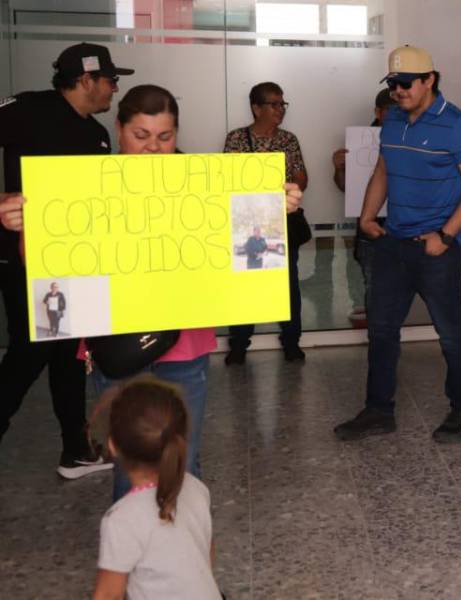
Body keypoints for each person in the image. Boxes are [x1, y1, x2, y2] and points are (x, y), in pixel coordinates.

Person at [0, 84, 305, 501]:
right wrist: (25, 224)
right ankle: (136, 542)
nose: (152, 148)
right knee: (131, 472)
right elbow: (44, 265)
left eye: (164, 136)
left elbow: (248, 248)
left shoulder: (202, 184)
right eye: (141, 135)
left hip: (185, 345)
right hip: (115, 345)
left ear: (177, 133)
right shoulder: (83, 185)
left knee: (184, 463)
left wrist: (273, 205)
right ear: (119, 129)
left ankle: (183, 541)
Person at [333, 45, 461, 444]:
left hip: (438, 249)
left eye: (406, 83)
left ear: (429, 80)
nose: (398, 91)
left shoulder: (457, 124)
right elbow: (383, 170)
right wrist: (367, 217)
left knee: (450, 332)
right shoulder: (392, 120)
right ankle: (378, 410)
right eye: (393, 84)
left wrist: (445, 236)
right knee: (381, 330)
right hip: (394, 243)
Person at [0, 42, 131, 480]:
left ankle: (75, 449)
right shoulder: (28, 109)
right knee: (28, 354)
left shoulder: (97, 135)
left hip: (75, 266)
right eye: (111, 79)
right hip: (25, 261)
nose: (115, 88)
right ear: (87, 79)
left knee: (71, 354)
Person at [91, 377, 221, 600]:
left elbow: (108, 595)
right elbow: (206, 555)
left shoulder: (122, 519)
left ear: (113, 446)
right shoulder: (195, 487)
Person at [223, 81, 309, 364]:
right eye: (274, 104)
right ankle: (239, 344)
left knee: (288, 285)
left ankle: (291, 341)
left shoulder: (288, 140)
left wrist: (287, 190)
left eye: (282, 104)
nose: (280, 109)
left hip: (282, 222)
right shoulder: (237, 138)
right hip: (246, 224)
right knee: (245, 284)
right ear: (256, 108)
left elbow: (302, 177)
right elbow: (228, 178)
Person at [334, 88, 397, 327]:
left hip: (405, 224)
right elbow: (346, 187)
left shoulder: (412, 138)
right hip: (371, 227)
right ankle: (379, 334)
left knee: (402, 283)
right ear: (378, 112)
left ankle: (389, 330)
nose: (397, 114)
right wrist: (339, 167)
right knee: (372, 282)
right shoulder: (360, 142)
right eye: (390, 110)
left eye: (400, 109)